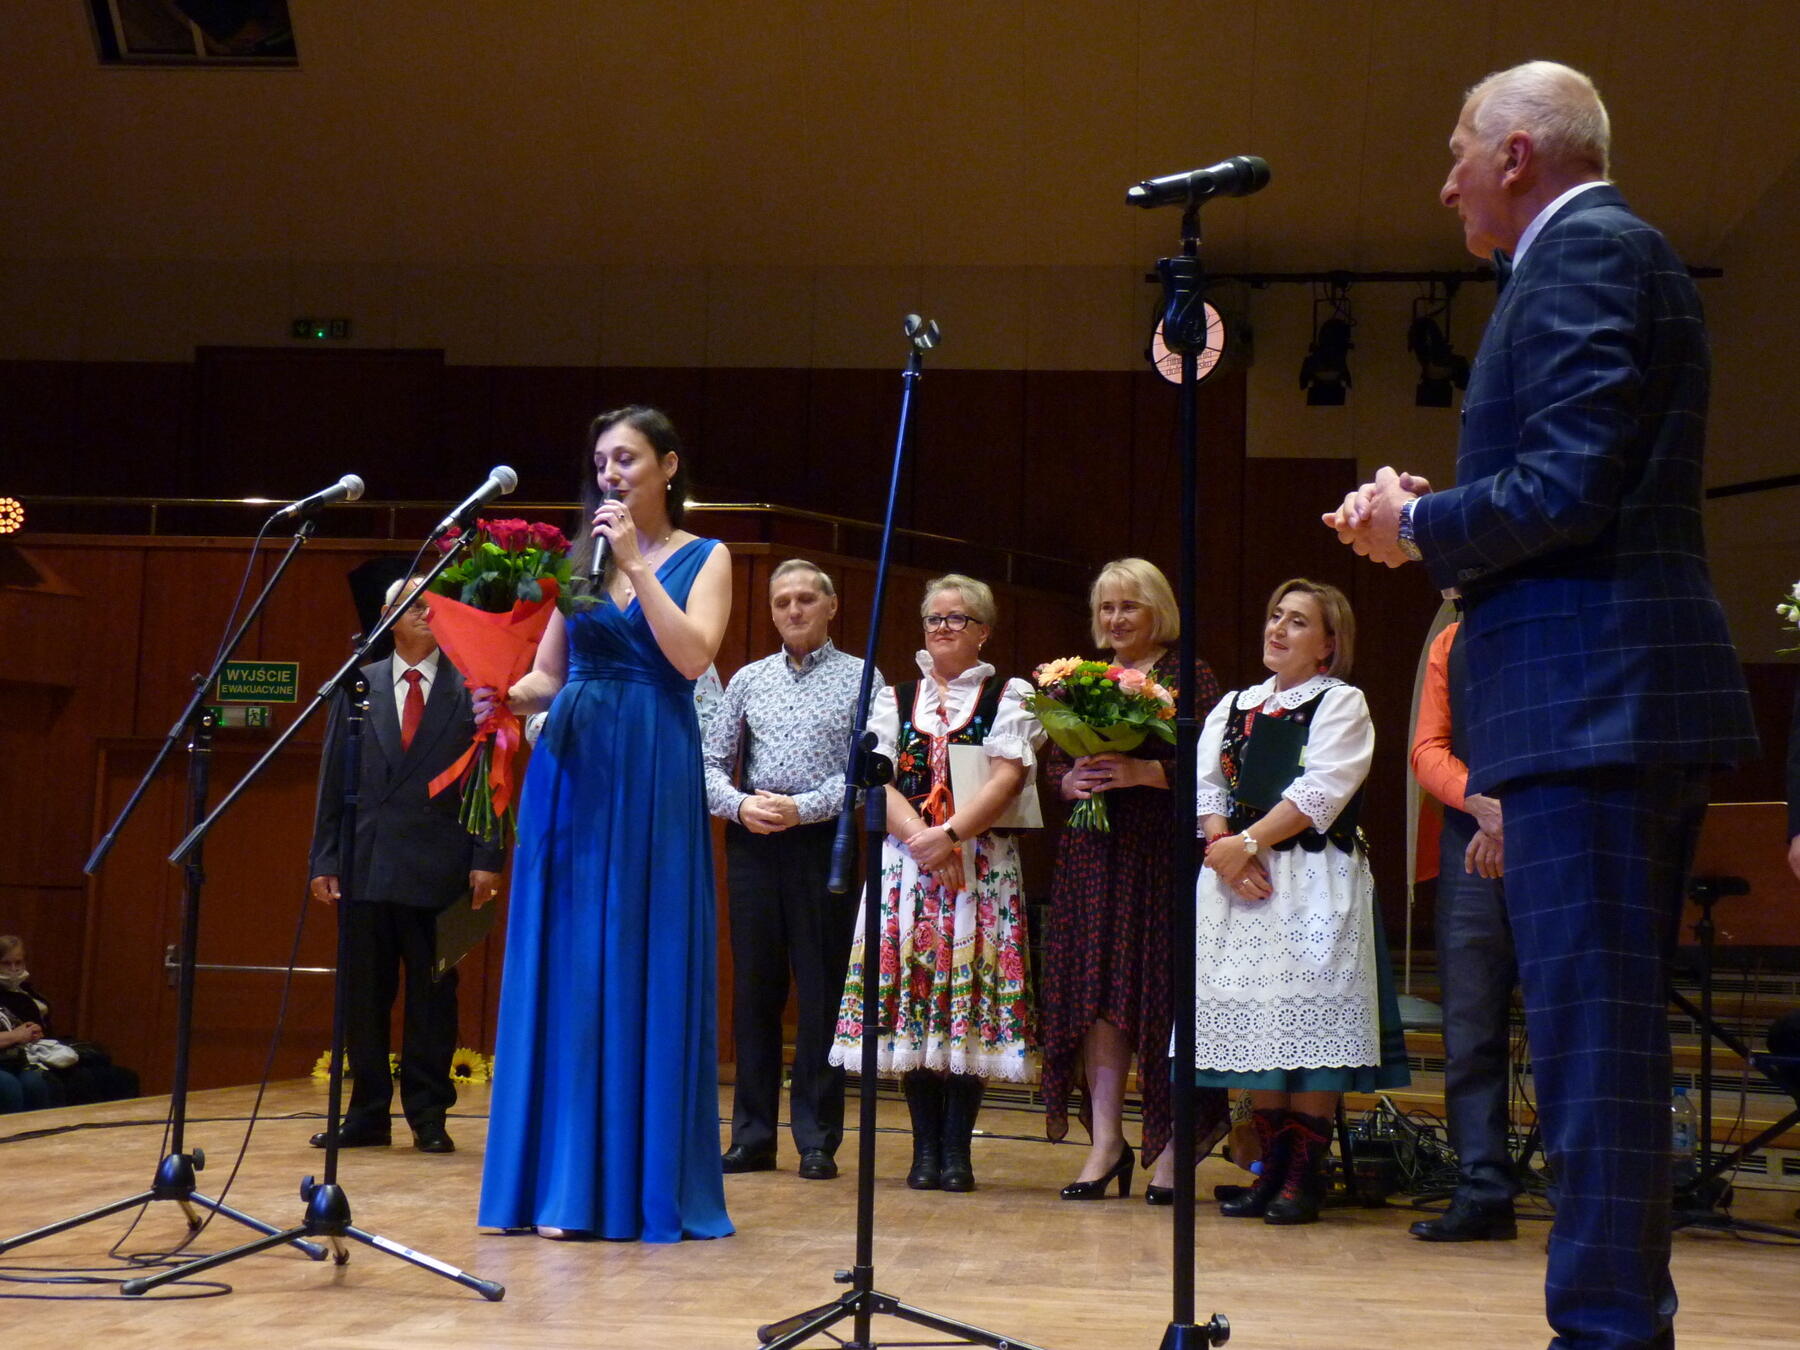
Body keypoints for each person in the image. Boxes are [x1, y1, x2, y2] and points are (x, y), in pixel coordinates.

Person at [1325, 61, 1758, 1348]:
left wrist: (1419, 527)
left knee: (1591, 1055)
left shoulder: (1584, 256)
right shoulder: (1592, 258)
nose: (1445, 181)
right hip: (1598, 703)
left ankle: (1609, 1335)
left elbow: (1568, 488)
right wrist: (1433, 512)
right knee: (1590, 1049)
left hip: (1596, 706)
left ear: (1518, 153)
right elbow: (1576, 480)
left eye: (1459, 150)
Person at [477, 405, 734, 1243]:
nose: (609, 474)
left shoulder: (707, 556)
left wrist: (634, 564)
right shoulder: (578, 562)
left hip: (653, 763)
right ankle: (560, 1183)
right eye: (600, 462)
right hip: (573, 770)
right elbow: (549, 675)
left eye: (625, 458)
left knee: (635, 951)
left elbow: (692, 656)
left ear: (667, 466)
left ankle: (633, 1184)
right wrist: (501, 693)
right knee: (569, 960)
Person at [1193, 579, 1409, 1226]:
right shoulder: (1234, 706)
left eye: (1297, 621)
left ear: (1328, 644)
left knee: (1309, 1023)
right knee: (1262, 1024)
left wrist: (1247, 844)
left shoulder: (1341, 703)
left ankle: (1302, 1177)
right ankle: (1270, 1171)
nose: (1278, 629)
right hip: (1243, 880)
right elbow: (1209, 789)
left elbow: (1323, 790)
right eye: (1275, 616)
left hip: (1312, 880)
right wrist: (1225, 849)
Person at [829, 573, 1042, 1192]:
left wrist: (950, 836)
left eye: (957, 618)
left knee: (962, 1002)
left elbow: (1006, 779)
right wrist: (925, 843)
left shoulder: (1010, 695)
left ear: (984, 631)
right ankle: (924, 1149)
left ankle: (957, 1151)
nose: (943, 628)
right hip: (908, 864)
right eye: (934, 618)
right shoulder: (895, 698)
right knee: (916, 999)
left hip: (981, 864)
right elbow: (878, 778)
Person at [1038, 558, 1225, 1204]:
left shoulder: (1189, 676)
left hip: (1160, 854)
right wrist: (1071, 780)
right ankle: (1107, 1142)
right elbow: (1054, 766)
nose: (1116, 618)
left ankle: (1171, 1148)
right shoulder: (1081, 680)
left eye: (1129, 606)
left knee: (1162, 995)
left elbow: (1218, 769)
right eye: (1107, 607)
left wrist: (1146, 773)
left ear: (1158, 611)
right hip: (1094, 854)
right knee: (1097, 995)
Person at [307, 576, 505, 1155]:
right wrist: (324, 857)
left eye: (434, 605)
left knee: (433, 998)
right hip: (366, 864)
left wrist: (487, 856)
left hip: (443, 868)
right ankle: (367, 1114)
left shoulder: (472, 689)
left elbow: (490, 780)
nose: (426, 613)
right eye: (414, 605)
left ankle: (428, 1114)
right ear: (388, 615)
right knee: (364, 997)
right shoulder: (357, 686)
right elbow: (332, 779)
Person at [704, 559, 876, 1182]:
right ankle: (752, 1136)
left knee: (822, 990)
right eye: (783, 602)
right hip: (754, 842)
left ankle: (817, 1138)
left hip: (824, 842)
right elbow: (709, 762)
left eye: (806, 598)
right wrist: (740, 805)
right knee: (755, 991)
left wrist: (803, 808)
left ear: (832, 606)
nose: (794, 610)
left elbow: (866, 775)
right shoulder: (748, 679)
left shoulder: (864, 678)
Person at [1408, 615, 1518, 1240]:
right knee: (1470, 1026)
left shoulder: (1554, 620)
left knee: (1567, 1027)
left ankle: (1581, 1195)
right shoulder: (1451, 641)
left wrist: (1513, 817)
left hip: (1551, 829)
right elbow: (1427, 749)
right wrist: (1481, 803)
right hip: (1467, 834)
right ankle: (1482, 1189)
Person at [0, 935, 138, 1110]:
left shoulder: (26, 989)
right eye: (6, 963)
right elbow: (17, 1032)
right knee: (22, 1083)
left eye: (18, 962)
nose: (14, 969)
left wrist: (33, 1032)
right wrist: (19, 1035)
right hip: (11, 1054)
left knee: (115, 1074)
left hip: (30, 1050)